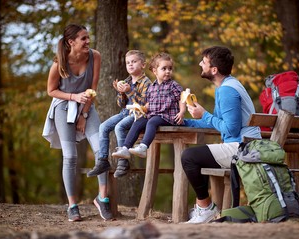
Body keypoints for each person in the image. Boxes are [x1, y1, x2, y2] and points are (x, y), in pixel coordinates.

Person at [181, 46, 261, 224]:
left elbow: (230, 129)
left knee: (189, 157)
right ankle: (205, 208)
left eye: (204, 61)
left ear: (214, 70)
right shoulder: (226, 86)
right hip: (241, 145)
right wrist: (183, 121)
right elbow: (216, 121)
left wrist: (205, 115)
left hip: (243, 148)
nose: (200, 64)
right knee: (196, 156)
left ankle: (205, 209)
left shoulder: (227, 90)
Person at [42, 24, 112, 222]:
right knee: (70, 156)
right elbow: (51, 91)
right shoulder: (59, 64)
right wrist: (73, 97)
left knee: (101, 150)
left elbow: (93, 87)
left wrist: (84, 114)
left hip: (86, 107)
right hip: (63, 108)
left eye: (88, 37)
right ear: (71, 42)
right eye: (83, 38)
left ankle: (102, 198)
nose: (88, 42)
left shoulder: (95, 56)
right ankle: (72, 206)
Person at [86, 50, 152, 178]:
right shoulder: (126, 81)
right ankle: (103, 160)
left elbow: (144, 103)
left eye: (134, 62)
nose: (130, 65)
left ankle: (123, 161)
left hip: (137, 115)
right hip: (124, 112)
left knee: (119, 127)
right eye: (128, 63)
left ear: (143, 65)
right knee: (103, 127)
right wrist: (121, 93)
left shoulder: (146, 83)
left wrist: (129, 91)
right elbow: (121, 104)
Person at [112, 52, 186, 160]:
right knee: (138, 122)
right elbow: (148, 103)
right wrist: (142, 109)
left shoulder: (173, 85)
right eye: (164, 68)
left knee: (152, 121)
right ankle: (125, 148)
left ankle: (143, 147)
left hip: (167, 116)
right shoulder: (152, 87)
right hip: (152, 114)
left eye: (170, 68)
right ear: (155, 71)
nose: (168, 71)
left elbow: (182, 98)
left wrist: (182, 112)